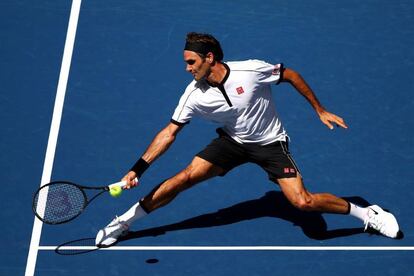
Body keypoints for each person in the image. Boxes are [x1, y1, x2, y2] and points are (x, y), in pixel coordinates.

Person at [95, 32, 400, 247]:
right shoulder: (193, 95)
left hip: (271, 144)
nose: (187, 69)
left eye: (191, 62)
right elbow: (169, 133)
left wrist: (319, 110)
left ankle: (367, 213)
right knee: (184, 177)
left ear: (208, 58)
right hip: (233, 143)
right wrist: (138, 169)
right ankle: (122, 223)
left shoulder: (250, 71)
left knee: (303, 202)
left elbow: (291, 74)